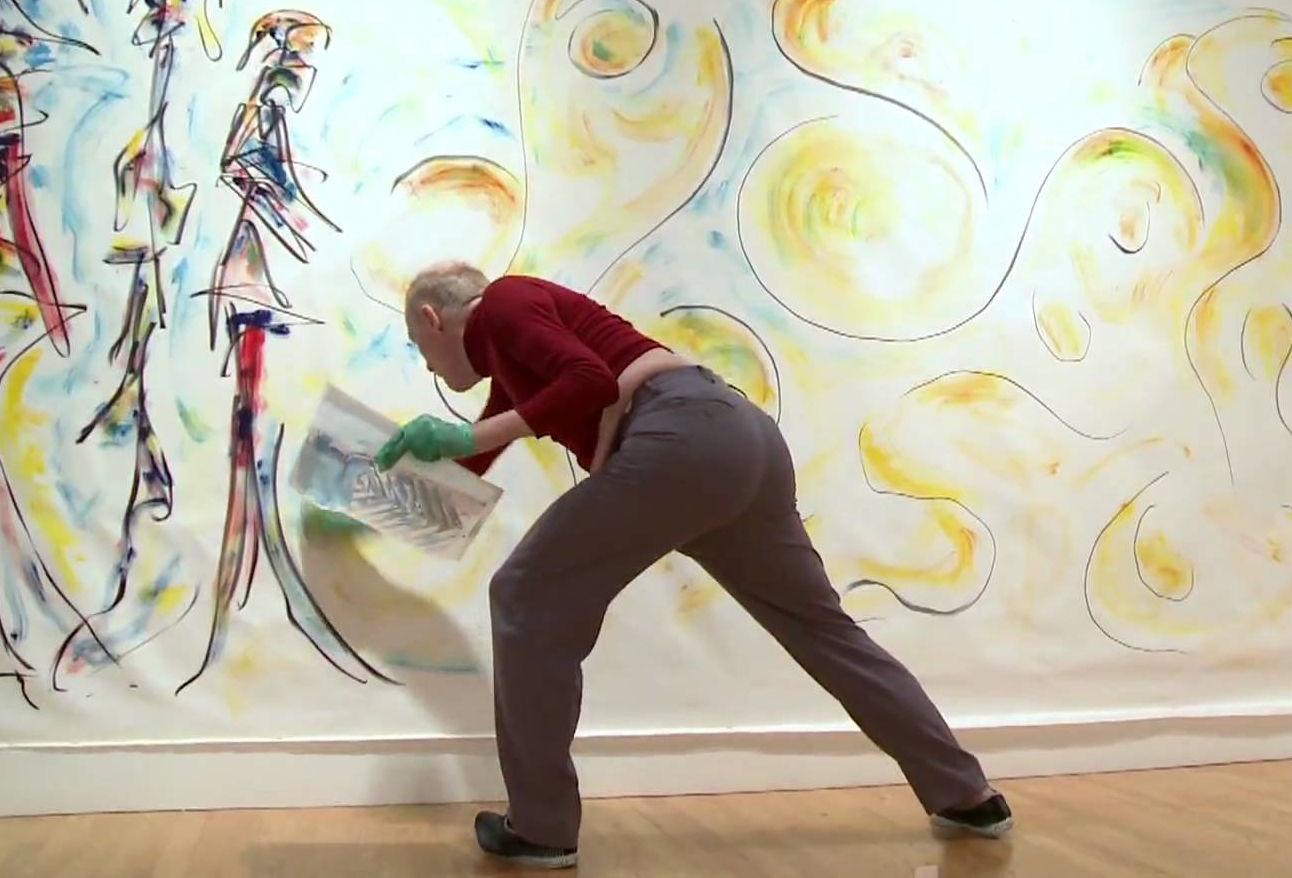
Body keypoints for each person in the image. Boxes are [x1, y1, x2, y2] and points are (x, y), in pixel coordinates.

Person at [374, 262, 1012, 868]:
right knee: (824, 631)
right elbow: (473, 459)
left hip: (679, 435)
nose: (426, 363)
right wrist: (370, 491)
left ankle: (540, 830)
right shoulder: (513, 364)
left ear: (433, 318)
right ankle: (967, 796)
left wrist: (465, 436)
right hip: (739, 439)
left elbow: (590, 383)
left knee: (523, 595)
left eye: (418, 347)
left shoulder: (504, 302)